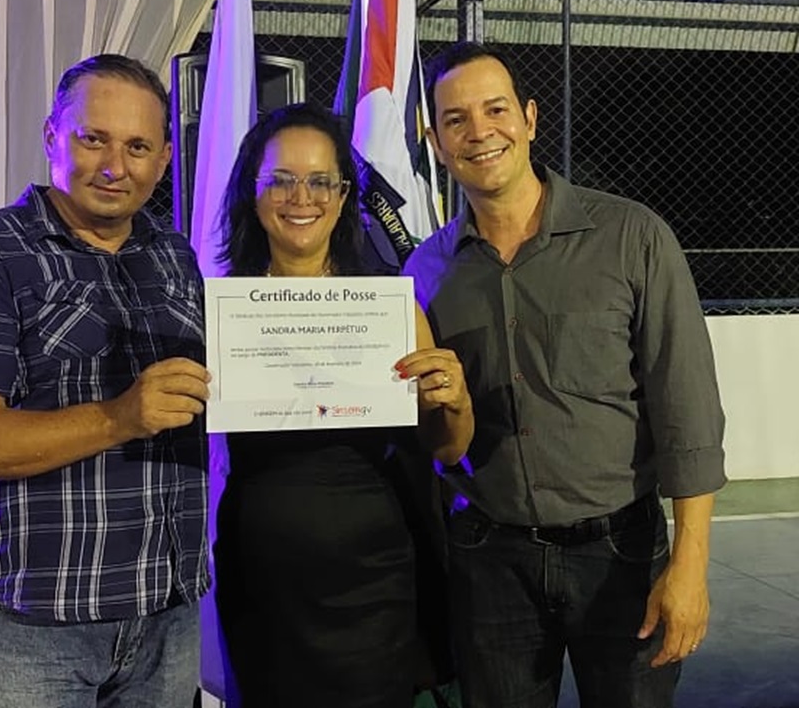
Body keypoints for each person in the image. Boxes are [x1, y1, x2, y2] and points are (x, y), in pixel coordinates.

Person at [404, 41, 727, 708]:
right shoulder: (425, 273)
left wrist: (690, 565)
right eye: (456, 119)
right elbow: (439, 441)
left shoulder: (632, 238)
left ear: (529, 118)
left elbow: (687, 410)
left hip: (621, 556)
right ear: (436, 143)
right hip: (489, 561)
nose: (479, 131)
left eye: (496, 109)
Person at [0, 54, 210, 707]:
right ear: (52, 137)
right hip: (35, 622)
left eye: (137, 147)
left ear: (165, 159)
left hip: (167, 610)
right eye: (93, 138)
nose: (115, 166)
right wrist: (119, 417)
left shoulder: (174, 256)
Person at [213, 102, 473, 708]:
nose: (300, 197)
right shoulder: (222, 311)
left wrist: (455, 401)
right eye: (281, 179)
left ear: (343, 195)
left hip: (372, 577)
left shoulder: (388, 307)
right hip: (263, 578)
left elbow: (448, 448)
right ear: (252, 192)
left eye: (319, 181)